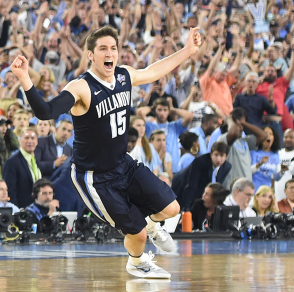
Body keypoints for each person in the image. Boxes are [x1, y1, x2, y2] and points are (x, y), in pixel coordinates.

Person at [11, 25, 203, 279]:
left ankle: (154, 225)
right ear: (91, 55)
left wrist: (188, 50)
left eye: (113, 48)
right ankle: (137, 262)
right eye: (103, 48)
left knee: (172, 209)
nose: (109, 53)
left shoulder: (124, 76)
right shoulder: (81, 87)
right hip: (94, 177)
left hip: (122, 164)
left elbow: (154, 71)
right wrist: (25, 78)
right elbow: (46, 112)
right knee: (138, 234)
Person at [219, 108, 270, 191]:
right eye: (238, 125)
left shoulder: (245, 141)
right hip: (231, 188)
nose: (241, 128)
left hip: (246, 187)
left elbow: (263, 136)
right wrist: (229, 120)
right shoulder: (224, 139)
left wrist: (243, 122)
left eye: (241, 126)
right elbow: (233, 133)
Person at [174, 141, 231, 209]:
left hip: (202, 193)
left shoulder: (226, 167)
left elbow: (216, 187)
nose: (218, 159)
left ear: (226, 157)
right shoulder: (200, 162)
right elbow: (191, 187)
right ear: (211, 154)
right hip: (179, 188)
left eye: (221, 155)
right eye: (216, 155)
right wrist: (186, 209)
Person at [2, 127, 42, 209]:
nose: (30, 141)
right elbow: (10, 191)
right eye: (26, 138)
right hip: (20, 210)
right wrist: (16, 212)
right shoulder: (12, 162)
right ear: (20, 140)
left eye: (33, 138)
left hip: (36, 208)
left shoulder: (36, 159)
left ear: (37, 141)